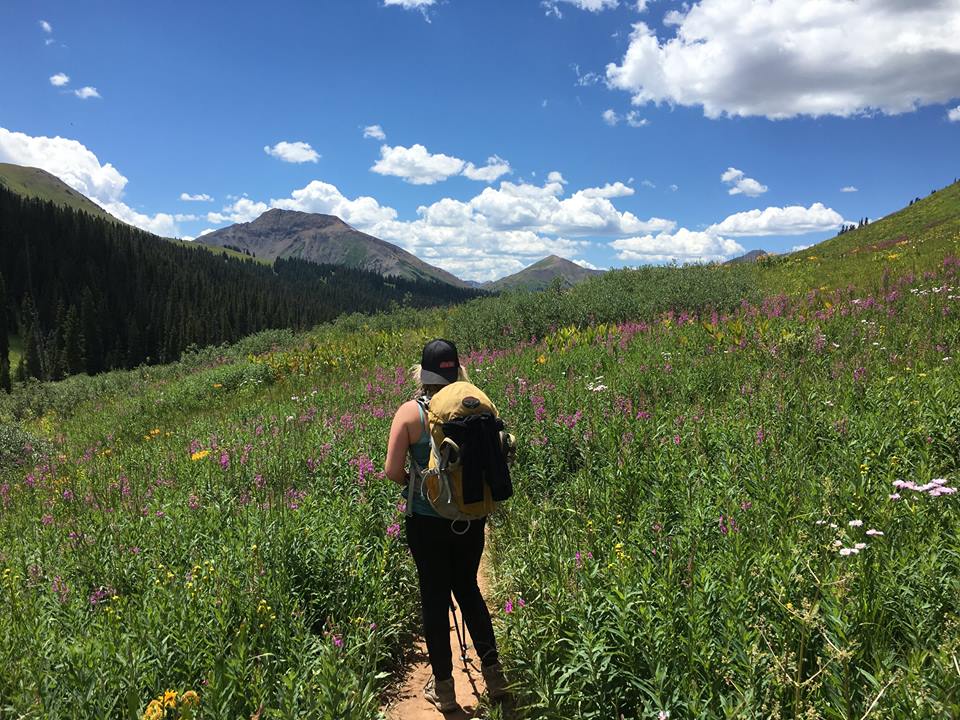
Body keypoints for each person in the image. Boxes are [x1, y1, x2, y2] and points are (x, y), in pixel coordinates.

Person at [384, 338, 508, 713]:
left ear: (423, 373)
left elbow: (391, 471)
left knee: (435, 601)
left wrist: (418, 483)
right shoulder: (478, 405)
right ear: (457, 370)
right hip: (472, 516)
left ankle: (445, 691)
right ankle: (496, 677)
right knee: (468, 589)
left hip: (427, 524)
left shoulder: (410, 412)